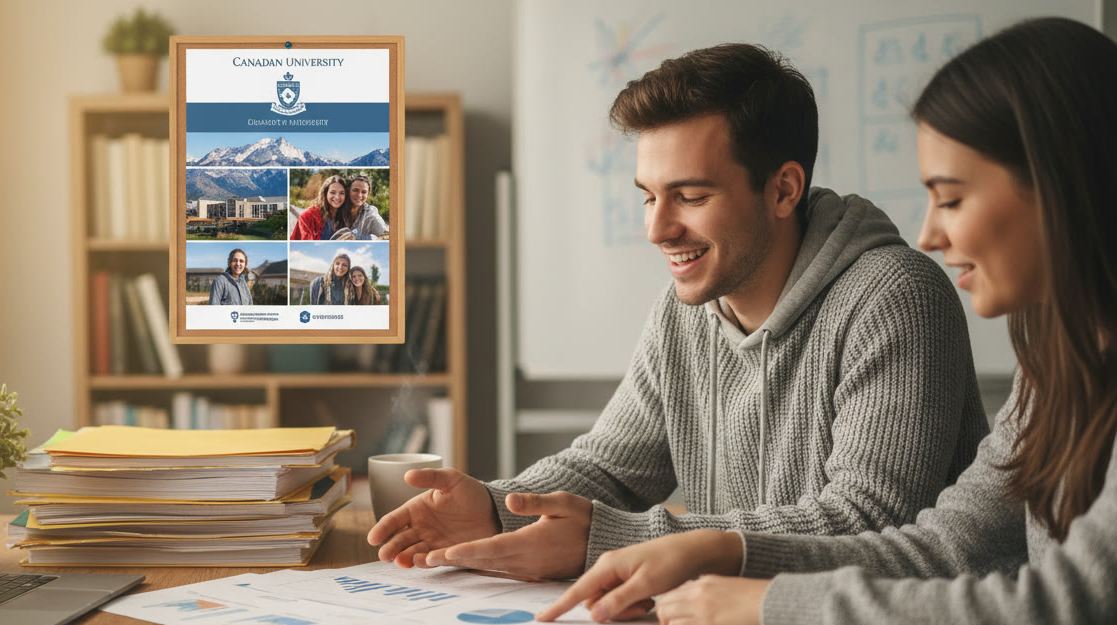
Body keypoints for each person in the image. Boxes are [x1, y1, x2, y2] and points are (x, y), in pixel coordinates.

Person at [539, 17, 1117, 625]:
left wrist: (767, 598)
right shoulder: (1057, 364)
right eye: (648, 196)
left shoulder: (895, 294)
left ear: (1059, 187)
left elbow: (1064, 624)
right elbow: (951, 546)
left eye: (952, 198)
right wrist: (723, 551)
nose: (930, 233)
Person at [367, 42, 988, 580]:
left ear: (783, 189)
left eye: (690, 196)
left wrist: (612, 539)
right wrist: (496, 508)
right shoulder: (685, 310)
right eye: (649, 197)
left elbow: (866, 523)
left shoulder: (894, 296)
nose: (658, 229)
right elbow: (609, 468)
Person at [292, 174, 348, 240]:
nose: (337, 197)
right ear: (325, 193)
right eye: (333, 192)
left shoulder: (346, 215)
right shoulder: (308, 216)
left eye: (341, 193)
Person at [338, 173, 389, 240]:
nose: (359, 195)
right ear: (348, 191)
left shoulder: (371, 215)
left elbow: (387, 237)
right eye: (355, 190)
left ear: (368, 193)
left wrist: (358, 239)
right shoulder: (337, 208)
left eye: (364, 192)